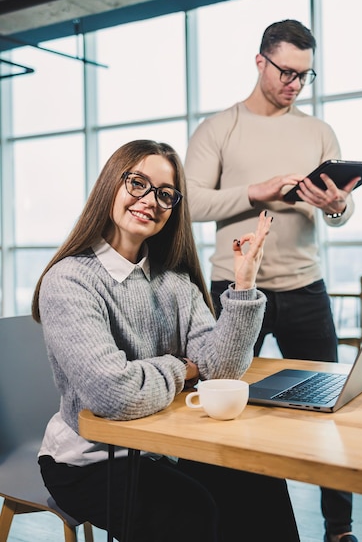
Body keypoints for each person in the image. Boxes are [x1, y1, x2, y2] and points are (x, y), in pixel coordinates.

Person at [32, 139, 300, 542]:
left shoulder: (174, 281)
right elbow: (113, 395)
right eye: (137, 183)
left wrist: (243, 286)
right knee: (191, 511)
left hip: (162, 447)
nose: (149, 200)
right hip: (89, 461)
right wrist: (183, 368)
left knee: (260, 480)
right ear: (111, 184)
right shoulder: (69, 281)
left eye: (165, 194)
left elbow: (220, 369)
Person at [184, 20, 361, 542]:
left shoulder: (318, 131)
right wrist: (255, 192)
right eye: (286, 71)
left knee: (333, 406)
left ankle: (340, 528)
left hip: (307, 287)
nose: (294, 83)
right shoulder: (219, 128)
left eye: (305, 75)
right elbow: (189, 202)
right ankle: (231, 520)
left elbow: (341, 211)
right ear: (260, 61)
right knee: (228, 402)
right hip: (236, 292)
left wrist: (337, 206)